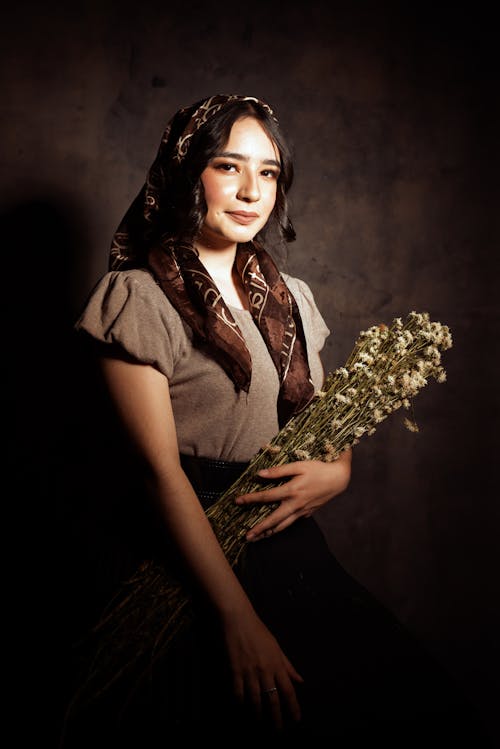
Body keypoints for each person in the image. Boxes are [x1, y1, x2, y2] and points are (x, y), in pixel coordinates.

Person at [59, 94, 488, 748]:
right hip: (187, 545)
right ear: (186, 172)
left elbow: (321, 422)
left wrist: (338, 471)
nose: (250, 189)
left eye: (268, 172)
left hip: (286, 543)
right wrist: (236, 617)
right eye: (228, 166)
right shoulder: (137, 294)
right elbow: (157, 471)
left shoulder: (293, 296)